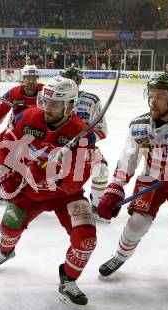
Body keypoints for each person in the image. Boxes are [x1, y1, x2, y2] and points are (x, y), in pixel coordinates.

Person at [0, 76, 98, 310]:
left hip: (66, 195)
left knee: (86, 239)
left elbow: (76, 179)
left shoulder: (82, 134)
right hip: (29, 189)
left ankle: (68, 280)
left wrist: (51, 176)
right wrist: (5, 172)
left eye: (53, 104)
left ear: (69, 106)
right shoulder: (27, 117)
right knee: (9, 226)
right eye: (44, 101)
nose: (46, 108)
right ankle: (6, 252)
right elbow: (7, 143)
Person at [96, 73, 168, 277]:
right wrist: (115, 187)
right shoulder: (139, 125)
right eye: (150, 96)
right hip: (153, 177)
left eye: (159, 97)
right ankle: (120, 256)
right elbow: (129, 157)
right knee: (136, 224)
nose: (153, 102)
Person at [0, 64, 43, 200]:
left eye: (33, 78)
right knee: (5, 147)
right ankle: (5, 185)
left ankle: (33, 184)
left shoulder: (45, 91)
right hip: (15, 129)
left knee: (36, 160)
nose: (31, 81)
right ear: (22, 79)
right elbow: (0, 110)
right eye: (27, 78)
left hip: (38, 132)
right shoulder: (13, 93)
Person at [61, 66, 109, 219]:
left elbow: (101, 129)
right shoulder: (55, 97)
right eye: (66, 80)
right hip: (57, 146)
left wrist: (84, 140)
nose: (70, 83)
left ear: (79, 82)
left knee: (101, 170)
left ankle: (96, 204)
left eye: (73, 80)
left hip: (84, 147)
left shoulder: (91, 100)